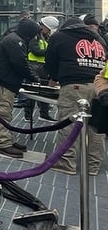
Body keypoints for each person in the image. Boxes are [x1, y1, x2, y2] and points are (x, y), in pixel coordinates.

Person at [45, 15, 107, 175]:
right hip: (100, 86)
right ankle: (93, 165)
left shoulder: (60, 36)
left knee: (68, 123)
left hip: (75, 84)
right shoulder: (99, 39)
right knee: (96, 127)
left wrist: (54, 78)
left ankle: (66, 162)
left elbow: (50, 61)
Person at [0, 18, 42, 158]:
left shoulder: (16, 39)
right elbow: (20, 63)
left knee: (5, 111)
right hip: (0, 81)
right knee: (1, 111)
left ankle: (8, 140)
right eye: (34, 34)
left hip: (4, 80)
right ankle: (3, 145)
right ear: (29, 33)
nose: (36, 37)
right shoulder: (15, 41)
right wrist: (35, 77)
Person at [23, 16, 60, 122]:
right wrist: (51, 50)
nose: (49, 31)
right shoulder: (34, 35)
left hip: (42, 67)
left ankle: (44, 113)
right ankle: (28, 115)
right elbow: (36, 50)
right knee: (32, 91)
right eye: (48, 29)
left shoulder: (45, 36)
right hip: (33, 65)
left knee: (45, 91)